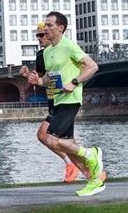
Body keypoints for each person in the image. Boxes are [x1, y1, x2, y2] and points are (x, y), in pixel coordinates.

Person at [27, 11, 104, 197]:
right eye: (45, 25)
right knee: (67, 145)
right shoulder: (47, 52)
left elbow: (92, 66)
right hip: (57, 100)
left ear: (61, 28)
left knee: (51, 139)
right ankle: (94, 181)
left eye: (49, 25)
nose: (46, 28)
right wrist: (38, 81)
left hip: (71, 99)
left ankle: (91, 154)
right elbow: (49, 78)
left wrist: (74, 82)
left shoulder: (69, 46)